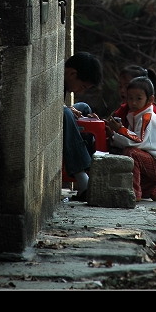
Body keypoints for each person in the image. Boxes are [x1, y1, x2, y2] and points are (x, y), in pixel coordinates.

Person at [104, 75, 156, 202]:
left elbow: (137, 141)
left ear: (150, 100)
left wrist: (119, 130)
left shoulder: (147, 117)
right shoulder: (134, 114)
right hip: (151, 160)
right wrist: (113, 134)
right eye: (130, 98)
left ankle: (134, 193)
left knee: (131, 153)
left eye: (138, 99)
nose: (133, 103)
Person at [63, 51, 102, 202]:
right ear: (72, 74)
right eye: (83, 86)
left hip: (65, 113)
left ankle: (89, 171)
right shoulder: (56, 77)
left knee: (84, 107)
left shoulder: (66, 81)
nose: (81, 91)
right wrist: (65, 109)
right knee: (65, 113)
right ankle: (82, 178)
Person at [112, 64, 156, 130]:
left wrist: (120, 130)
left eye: (127, 86)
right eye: (120, 86)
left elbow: (139, 139)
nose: (122, 90)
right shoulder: (123, 109)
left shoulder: (151, 114)